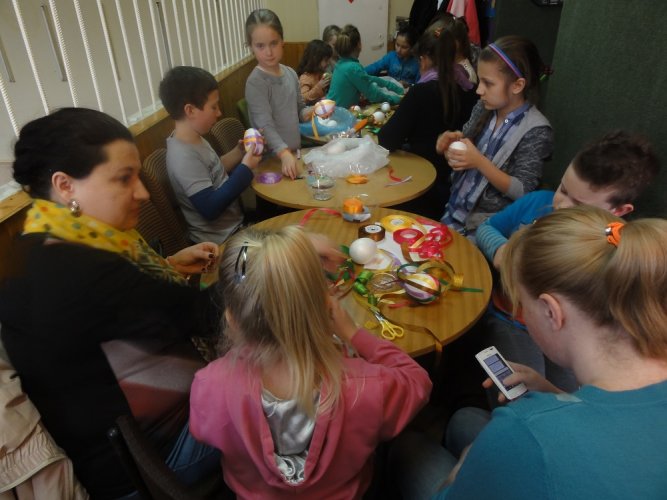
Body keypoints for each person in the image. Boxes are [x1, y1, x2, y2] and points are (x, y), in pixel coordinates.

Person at [0, 108, 223, 499]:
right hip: (153, 465)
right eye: (124, 178)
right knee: (296, 384)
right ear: (65, 186)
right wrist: (278, 262)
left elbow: (126, 308)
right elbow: (206, 313)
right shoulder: (80, 267)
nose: (143, 192)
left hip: (122, 452)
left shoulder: (41, 244)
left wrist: (170, 265)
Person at [392, 205, 667, 499]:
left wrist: (461, 473)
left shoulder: (525, 430)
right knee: (466, 420)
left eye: (521, 303)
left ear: (551, 311)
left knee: (407, 449)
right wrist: (555, 393)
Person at [189, 226, 432, 498]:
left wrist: (288, 263)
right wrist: (353, 333)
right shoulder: (366, 387)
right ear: (326, 309)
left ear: (232, 321)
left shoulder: (209, 386)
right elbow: (417, 380)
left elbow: (202, 431)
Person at [475, 130, 660, 393]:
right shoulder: (538, 202)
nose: (561, 205)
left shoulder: (616, 251)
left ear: (619, 211)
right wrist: (502, 250)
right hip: (512, 320)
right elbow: (487, 228)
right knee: (520, 392)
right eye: (563, 189)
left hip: (569, 338)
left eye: (579, 204)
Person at [436, 36, 553, 240]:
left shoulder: (536, 130)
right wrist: (452, 146)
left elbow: (523, 191)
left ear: (517, 85)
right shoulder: (484, 107)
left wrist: (478, 161)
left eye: (488, 83)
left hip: (485, 230)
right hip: (453, 213)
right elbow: (466, 147)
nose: (479, 90)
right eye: (480, 80)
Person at [378, 27, 478, 219]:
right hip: (457, 183)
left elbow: (387, 140)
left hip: (420, 184)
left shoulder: (421, 92)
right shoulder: (470, 89)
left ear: (423, 59)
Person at [160, 66, 261, 245]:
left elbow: (213, 170)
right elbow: (210, 207)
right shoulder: (183, 157)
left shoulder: (195, 138)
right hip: (220, 243)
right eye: (213, 107)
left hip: (235, 228)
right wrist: (246, 168)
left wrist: (240, 151)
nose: (219, 112)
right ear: (190, 110)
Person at [245, 9, 313, 180]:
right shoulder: (255, 83)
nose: (268, 52)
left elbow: (300, 110)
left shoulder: (290, 73)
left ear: (282, 41)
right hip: (270, 161)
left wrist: (313, 112)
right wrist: (283, 153)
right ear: (251, 47)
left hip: (292, 155)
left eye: (273, 43)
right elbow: (264, 125)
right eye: (260, 46)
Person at [327, 24, 405, 109]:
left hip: (330, 109)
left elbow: (368, 78)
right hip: (338, 113)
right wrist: (396, 99)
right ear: (359, 44)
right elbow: (374, 95)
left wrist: (394, 87)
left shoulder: (340, 64)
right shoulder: (353, 68)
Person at [296, 39, 333, 105]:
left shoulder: (320, 73)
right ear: (315, 59)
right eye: (326, 60)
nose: (328, 63)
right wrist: (319, 86)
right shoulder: (305, 77)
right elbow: (303, 98)